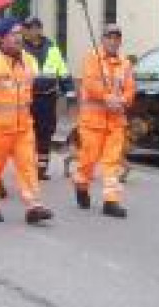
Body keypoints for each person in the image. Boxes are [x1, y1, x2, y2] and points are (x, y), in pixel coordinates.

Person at [0, 17, 54, 225]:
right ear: (1, 39)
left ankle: (33, 205)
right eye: (13, 34)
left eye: (20, 33)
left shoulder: (29, 60)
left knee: (28, 166)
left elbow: (33, 86)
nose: (18, 38)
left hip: (23, 127)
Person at [74, 24, 136, 218]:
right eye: (109, 37)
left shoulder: (125, 63)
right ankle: (81, 185)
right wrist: (106, 97)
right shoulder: (92, 59)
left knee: (111, 162)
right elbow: (90, 84)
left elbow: (130, 88)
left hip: (116, 122)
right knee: (88, 161)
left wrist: (123, 100)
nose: (113, 41)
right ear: (102, 39)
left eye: (117, 37)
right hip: (93, 122)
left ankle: (111, 201)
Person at [22, 16, 75, 180]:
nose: (34, 30)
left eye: (37, 27)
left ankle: (42, 169)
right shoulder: (20, 49)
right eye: (30, 27)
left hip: (48, 98)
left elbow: (63, 70)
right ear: (26, 30)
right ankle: (29, 167)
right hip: (27, 99)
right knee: (27, 133)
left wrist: (70, 91)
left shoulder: (52, 48)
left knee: (46, 132)